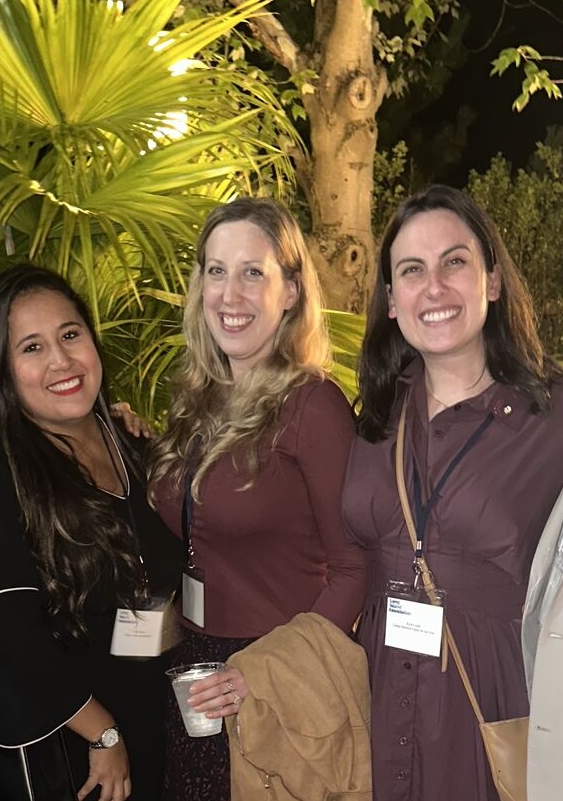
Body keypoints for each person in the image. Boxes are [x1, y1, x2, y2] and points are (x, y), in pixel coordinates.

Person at [342, 184, 563, 801]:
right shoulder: (371, 418)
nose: (433, 287)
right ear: (391, 300)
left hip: (492, 706)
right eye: (411, 270)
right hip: (376, 701)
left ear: (491, 280)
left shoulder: (553, 420)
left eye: (454, 262)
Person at [147, 196, 367, 801]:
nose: (230, 293)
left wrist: (266, 671)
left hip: (275, 677)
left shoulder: (312, 407)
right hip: (194, 670)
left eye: (253, 272)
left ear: (291, 290)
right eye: (216, 271)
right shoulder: (194, 401)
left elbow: (353, 567)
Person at [0, 264, 184, 801]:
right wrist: (102, 730)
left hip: (155, 726)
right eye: (31, 347)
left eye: (70, 334)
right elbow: (5, 630)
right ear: (3, 371)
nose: (61, 361)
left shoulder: (135, 447)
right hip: (72, 752)